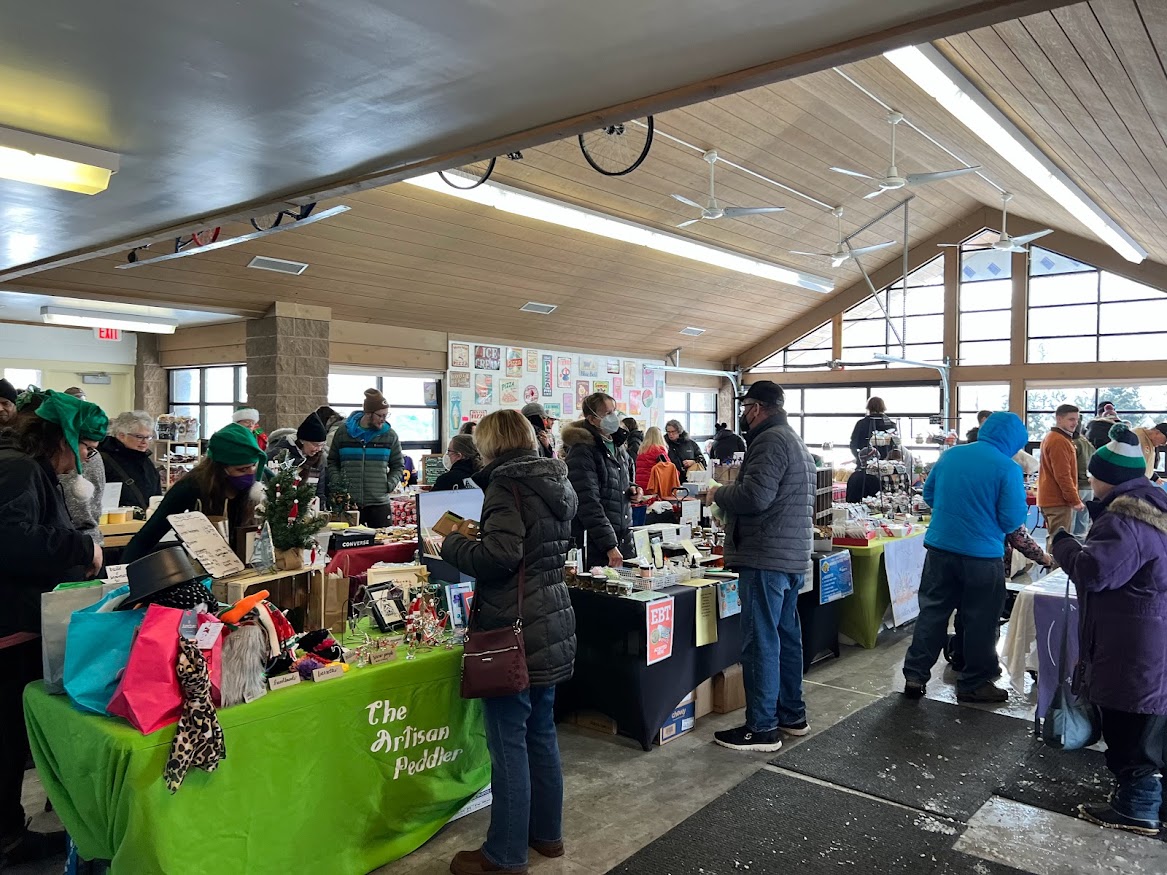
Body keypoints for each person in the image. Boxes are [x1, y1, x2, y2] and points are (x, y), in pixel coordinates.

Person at [439, 409, 577, 875]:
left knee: (508, 744)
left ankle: (504, 854)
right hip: (551, 621)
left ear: (491, 444)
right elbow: (528, 547)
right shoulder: (556, 480)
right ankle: (547, 836)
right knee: (541, 734)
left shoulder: (505, 486)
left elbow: (500, 557)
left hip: (511, 628)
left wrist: (452, 544)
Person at [0, 390, 105, 866]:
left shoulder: (22, 466)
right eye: (85, 446)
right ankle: (7, 838)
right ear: (61, 438)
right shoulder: (20, 470)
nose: (87, 457)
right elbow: (12, 541)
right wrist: (82, 551)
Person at [1050, 423, 1167, 836]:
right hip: (1152, 634)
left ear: (1106, 478)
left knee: (1129, 723)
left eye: (1093, 474)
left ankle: (1137, 807)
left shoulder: (1125, 517)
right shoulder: (1157, 506)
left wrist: (1062, 544)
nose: (1090, 480)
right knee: (1152, 720)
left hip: (1131, 641)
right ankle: (1154, 799)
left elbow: (1096, 572)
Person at [705, 380, 815, 752]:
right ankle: (791, 714)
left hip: (766, 555)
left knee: (761, 641)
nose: (744, 415)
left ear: (756, 408)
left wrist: (717, 493)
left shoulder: (769, 441)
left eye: (746, 407)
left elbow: (755, 496)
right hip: (789, 554)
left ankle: (762, 727)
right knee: (784, 636)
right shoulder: (792, 439)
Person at [903, 412, 1029, 703]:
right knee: (980, 620)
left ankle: (915, 674)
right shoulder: (1006, 468)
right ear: (1013, 441)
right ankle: (974, 683)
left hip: (939, 549)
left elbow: (929, 495)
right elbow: (1011, 519)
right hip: (982, 557)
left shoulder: (951, 455)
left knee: (932, 613)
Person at [124, 423, 266, 562]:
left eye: (253, 466)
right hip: (205, 565)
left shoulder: (260, 483)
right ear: (221, 468)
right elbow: (150, 534)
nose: (250, 473)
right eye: (242, 470)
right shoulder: (191, 486)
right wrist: (122, 573)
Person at [562, 392, 637, 569]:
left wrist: (632, 489)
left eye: (615, 411)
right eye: (607, 414)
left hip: (622, 535)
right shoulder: (583, 452)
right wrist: (609, 545)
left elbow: (618, 481)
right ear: (592, 419)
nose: (614, 417)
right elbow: (588, 503)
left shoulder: (618, 446)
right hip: (597, 543)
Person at [326, 389, 405, 528]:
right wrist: (338, 483)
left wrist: (389, 484)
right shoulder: (343, 433)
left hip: (379, 504)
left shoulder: (390, 436)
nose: (383, 419)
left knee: (382, 545)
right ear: (368, 413)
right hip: (349, 503)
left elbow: (398, 465)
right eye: (380, 415)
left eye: (386, 415)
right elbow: (332, 461)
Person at [1038, 404, 1085, 538]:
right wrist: (1074, 500)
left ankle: (1051, 559)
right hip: (1058, 501)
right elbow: (1063, 475)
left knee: (1054, 538)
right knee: (1060, 541)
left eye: (1076, 419)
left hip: (1051, 499)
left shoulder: (1053, 437)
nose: (1075, 423)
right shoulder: (1059, 441)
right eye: (1071, 419)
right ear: (1059, 419)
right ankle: (1055, 560)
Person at [99, 411, 163, 508]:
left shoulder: (146, 461)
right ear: (121, 436)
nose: (144, 442)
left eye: (148, 437)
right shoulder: (103, 459)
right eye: (139, 437)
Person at [266, 412, 328, 484]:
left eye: (322, 445)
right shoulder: (279, 455)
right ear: (302, 441)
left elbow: (319, 492)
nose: (319, 449)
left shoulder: (318, 459)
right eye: (316, 445)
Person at [849, 397, 896, 462]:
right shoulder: (891, 424)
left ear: (868, 407)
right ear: (883, 407)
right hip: (887, 464)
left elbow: (853, 444)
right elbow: (895, 446)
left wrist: (859, 458)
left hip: (866, 462)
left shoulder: (861, 423)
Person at [1073, 425, 1095, 537]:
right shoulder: (1087, 443)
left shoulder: (1073, 443)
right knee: (1082, 529)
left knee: (1070, 528)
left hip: (1077, 486)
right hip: (1089, 487)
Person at [634, 426, 669, 492]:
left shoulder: (641, 450)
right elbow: (668, 468)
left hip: (640, 485)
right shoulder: (659, 450)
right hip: (652, 485)